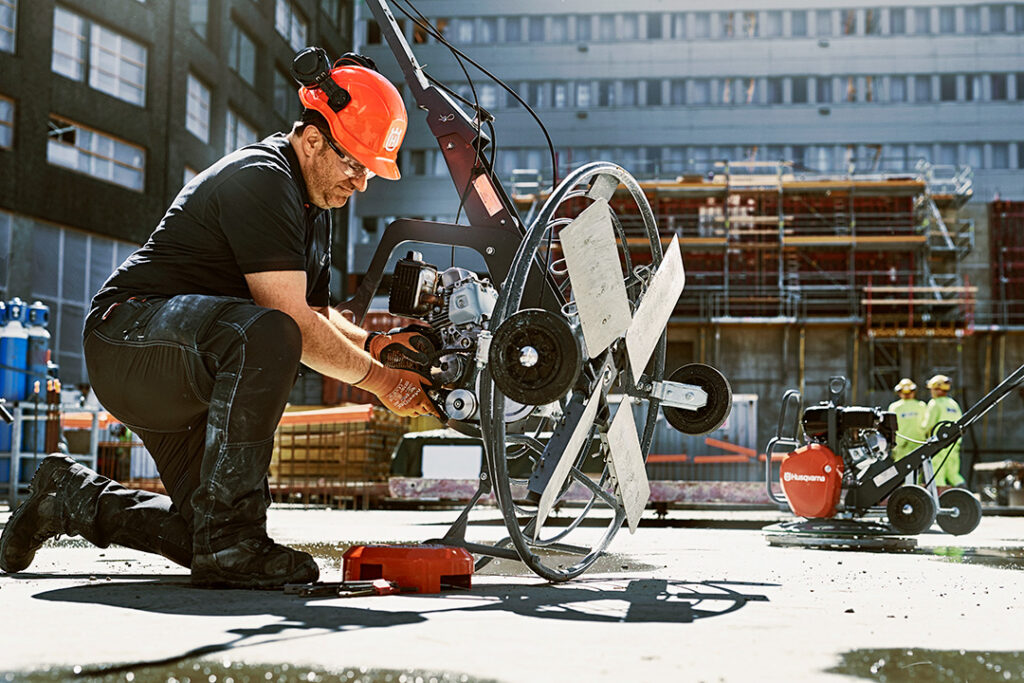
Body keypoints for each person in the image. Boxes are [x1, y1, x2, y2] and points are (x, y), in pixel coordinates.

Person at [0, 50, 439, 588]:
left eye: (370, 171)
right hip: (129, 339)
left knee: (200, 537)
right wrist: (384, 384)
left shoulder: (312, 211)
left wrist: (376, 347)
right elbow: (292, 322)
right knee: (272, 333)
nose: (361, 183)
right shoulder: (261, 178)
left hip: (190, 367)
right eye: (353, 163)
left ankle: (66, 496)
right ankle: (235, 537)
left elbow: (320, 316)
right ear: (312, 141)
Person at [921, 374, 966, 488]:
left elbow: (927, 425)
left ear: (937, 389)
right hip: (954, 445)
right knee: (954, 474)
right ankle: (964, 492)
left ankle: (939, 501)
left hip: (939, 445)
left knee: (937, 474)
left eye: (932, 389)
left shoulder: (934, 404)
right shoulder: (953, 404)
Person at [887, 378, 927, 461]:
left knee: (901, 470)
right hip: (918, 444)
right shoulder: (921, 405)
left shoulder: (894, 407)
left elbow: (889, 427)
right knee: (918, 471)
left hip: (901, 445)